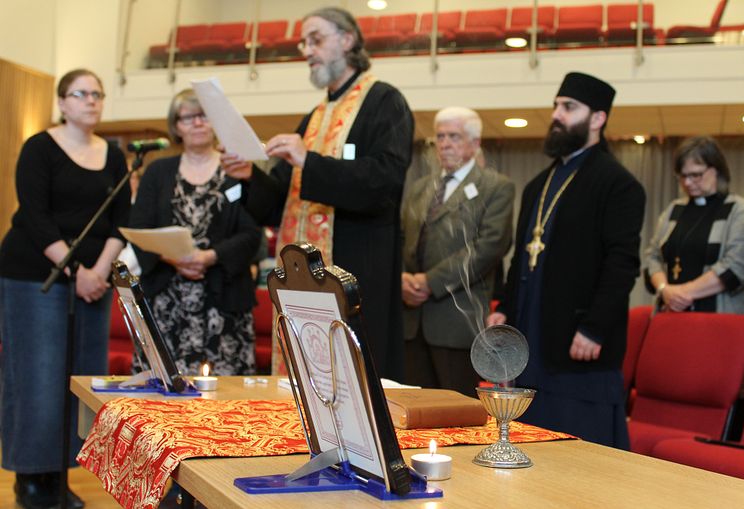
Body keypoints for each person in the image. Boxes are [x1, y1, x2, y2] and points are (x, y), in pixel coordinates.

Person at [221, 7, 414, 380]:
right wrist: (249, 176)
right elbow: (278, 200)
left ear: (348, 40)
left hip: (355, 270)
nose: (306, 50)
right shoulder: (314, 117)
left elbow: (384, 181)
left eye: (316, 39)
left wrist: (308, 162)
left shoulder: (384, 102)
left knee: (352, 385)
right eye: (303, 42)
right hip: (303, 282)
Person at [486, 72, 646, 448]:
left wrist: (595, 328)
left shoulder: (618, 184)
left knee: (579, 459)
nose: (557, 114)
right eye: (556, 105)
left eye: (569, 107)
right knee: (530, 450)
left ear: (597, 119)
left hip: (577, 348)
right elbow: (520, 258)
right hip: (529, 345)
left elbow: (622, 264)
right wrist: (505, 310)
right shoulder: (536, 186)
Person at [0, 68, 130, 509]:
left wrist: (98, 270)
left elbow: (120, 220)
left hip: (93, 278)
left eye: (97, 94)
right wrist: (78, 271)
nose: (91, 101)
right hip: (38, 276)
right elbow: (34, 216)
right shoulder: (40, 147)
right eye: (81, 93)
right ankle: (33, 479)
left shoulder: (113, 156)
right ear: (62, 102)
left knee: (81, 377)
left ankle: (60, 474)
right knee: (38, 377)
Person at [129, 89, 262, 376]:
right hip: (166, 301)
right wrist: (173, 259)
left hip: (224, 302)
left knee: (226, 404)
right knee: (161, 399)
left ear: (216, 123)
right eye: (188, 117)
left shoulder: (236, 170)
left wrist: (209, 256)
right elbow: (139, 228)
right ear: (176, 126)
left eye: (204, 115)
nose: (197, 123)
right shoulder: (157, 171)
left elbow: (252, 234)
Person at [401, 107, 514, 396]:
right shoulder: (419, 188)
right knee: (415, 413)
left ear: (475, 143)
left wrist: (430, 282)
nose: (445, 144)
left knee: (457, 417)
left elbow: (488, 247)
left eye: (454, 136)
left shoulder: (495, 186)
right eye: (440, 137)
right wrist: (402, 278)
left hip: (456, 321)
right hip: (412, 321)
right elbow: (401, 240)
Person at [644, 136, 744, 313]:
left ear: (716, 170)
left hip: (718, 319)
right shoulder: (674, 210)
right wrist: (664, 289)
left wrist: (680, 293)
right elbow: (653, 257)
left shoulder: (738, 210)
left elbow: (735, 266)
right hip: (670, 314)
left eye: (696, 175)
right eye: (682, 176)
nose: (688, 183)